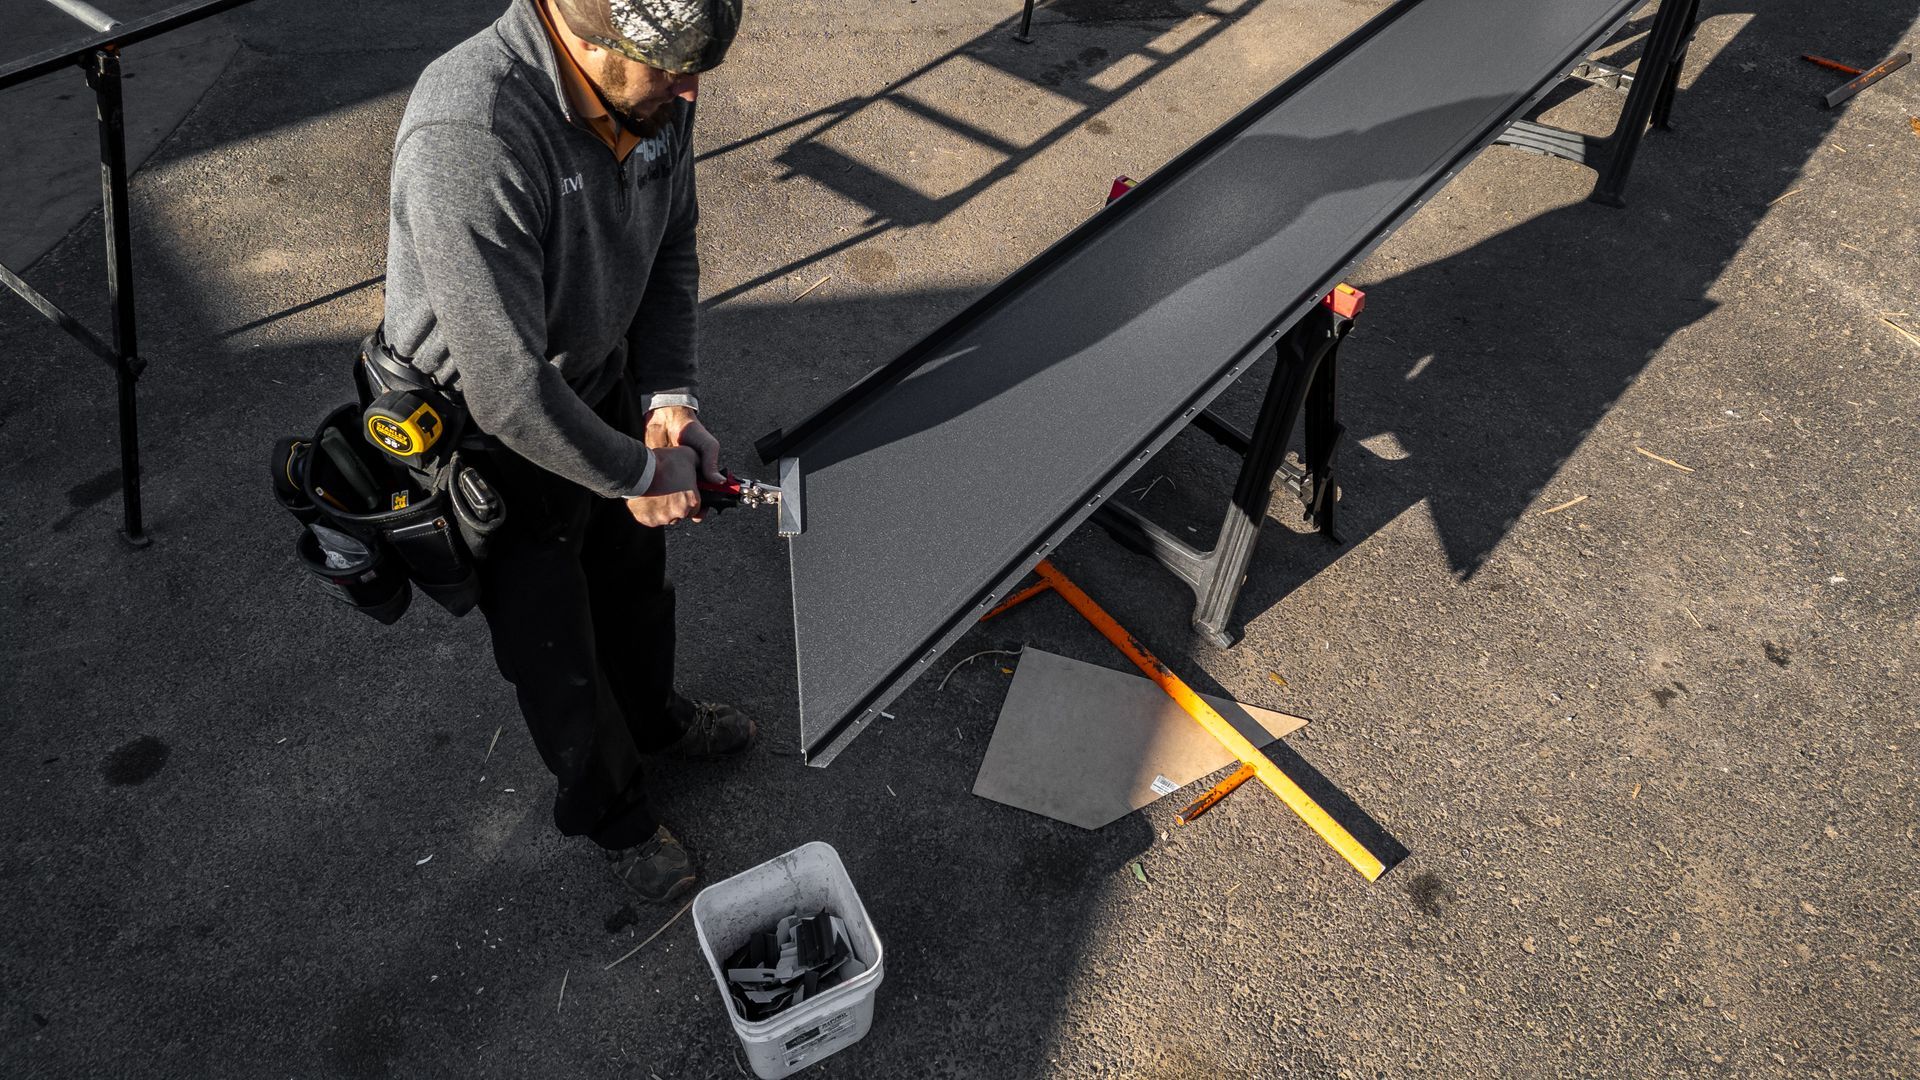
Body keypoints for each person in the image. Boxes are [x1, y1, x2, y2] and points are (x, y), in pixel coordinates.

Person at [380, 0, 749, 905]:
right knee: (556, 646)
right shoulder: (472, 129)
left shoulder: (658, 86)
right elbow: (506, 388)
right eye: (670, 69)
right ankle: (614, 816)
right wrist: (635, 473)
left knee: (634, 579)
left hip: (593, 375)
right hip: (481, 427)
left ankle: (656, 723)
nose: (693, 88)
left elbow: (674, 246)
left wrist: (669, 402)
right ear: (585, 36)